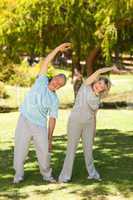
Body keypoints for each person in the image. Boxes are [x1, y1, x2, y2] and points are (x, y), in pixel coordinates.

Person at [13, 43, 71, 184]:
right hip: (25, 119)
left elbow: (52, 119)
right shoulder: (42, 80)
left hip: (39, 125)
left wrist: (49, 138)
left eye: (61, 84)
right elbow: (46, 61)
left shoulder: (54, 99)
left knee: (44, 152)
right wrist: (57, 49)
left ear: (60, 87)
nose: (57, 83)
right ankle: (18, 175)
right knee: (20, 149)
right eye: (58, 79)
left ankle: (47, 175)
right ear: (54, 77)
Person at [58, 66, 120, 183]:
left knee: (88, 151)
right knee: (71, 150)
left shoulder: (98, 99)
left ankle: (93, 174)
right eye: (99, 82)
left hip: (89, 125)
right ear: (96, 81)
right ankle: (64, 176)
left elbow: (94, 115)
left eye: (103, 86)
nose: (99, 86)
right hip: (75, 122)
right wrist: (111, 68)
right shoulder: (85, 86)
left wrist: (94, 131)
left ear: (104, 89)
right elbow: (98, 71)